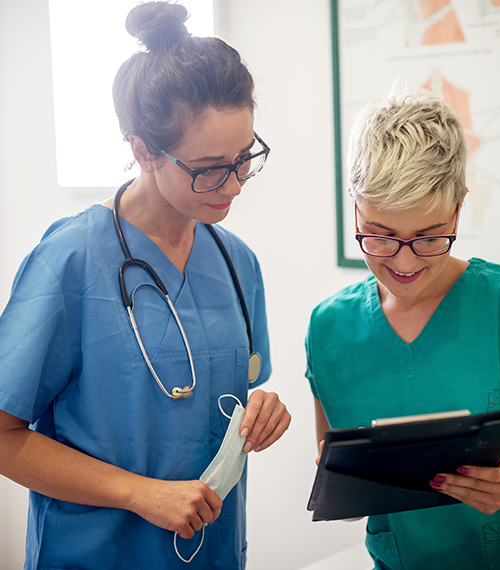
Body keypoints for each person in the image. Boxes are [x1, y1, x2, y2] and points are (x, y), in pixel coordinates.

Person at [0, 2, 290, 569]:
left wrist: (265, 410)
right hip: (97, 555)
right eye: (209, 166)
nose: (234, 184)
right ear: (141, 150)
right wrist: (140, 493)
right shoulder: (70, 261)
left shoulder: (237, 262)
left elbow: (226, 398)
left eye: (244, 157)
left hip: (212, 553)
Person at [305, 89, 500, 570]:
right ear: (355, 204)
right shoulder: (330, 329)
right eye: (380, 235)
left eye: (429, 238)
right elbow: (338, 482)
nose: (404, 263)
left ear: (459, 205)